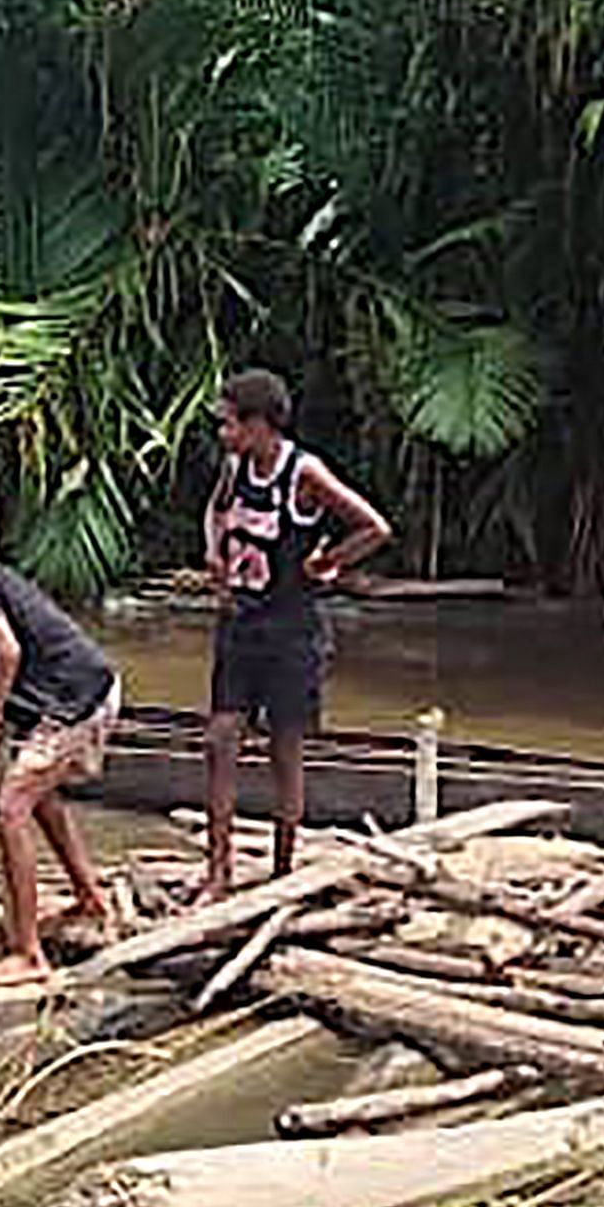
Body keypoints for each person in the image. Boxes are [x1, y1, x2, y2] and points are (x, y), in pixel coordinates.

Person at [200, 367, 394, 900]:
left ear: (261, 425)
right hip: (240, 621)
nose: (224, 434)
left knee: (285, 751)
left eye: (231, 424)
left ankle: (283, 871)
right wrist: (216, 555)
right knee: (219, 740)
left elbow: (373, 527)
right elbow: (216, 512)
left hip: (291, 631)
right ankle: (219, 871)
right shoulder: (234, 467)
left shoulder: (303, 474)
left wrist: (327, 561)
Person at [0, 481, 121, 987]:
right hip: (91, 686)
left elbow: (8, 653)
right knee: (39, 795)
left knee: (10, 807)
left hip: (75, 698)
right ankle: (90, 899)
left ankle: (28, 953)